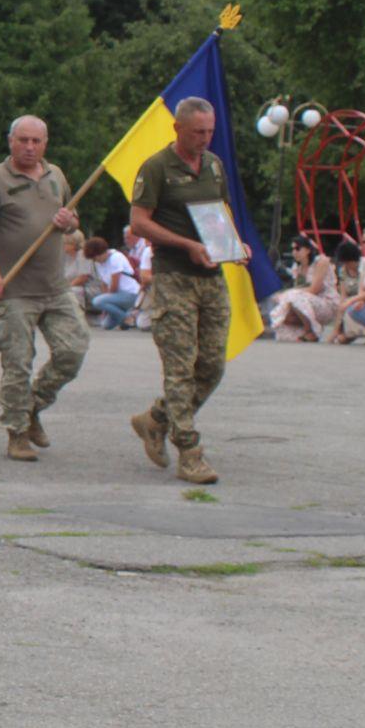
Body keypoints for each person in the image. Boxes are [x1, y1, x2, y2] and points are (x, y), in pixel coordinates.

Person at [0, 114, 86, 463]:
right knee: (18, 363)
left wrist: (69, 221)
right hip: (15, 289)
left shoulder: (56, 175)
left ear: (45, 144)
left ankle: (33, 406)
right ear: (11, 141)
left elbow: (72, 217)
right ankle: (17, 432)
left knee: (73, 350)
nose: (30, 147)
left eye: (36, 141)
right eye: (23, 140)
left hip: (55, 287)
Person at [128, 96, 234, 485]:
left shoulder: (213, 165)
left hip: (211, 278)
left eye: (209, 131)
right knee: (179, 368)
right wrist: (186, 244)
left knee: (212, 366)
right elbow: (139, 223)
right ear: (178, 129)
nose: (205, 139)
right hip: (173, 276)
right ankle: (189, 450)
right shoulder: (157, 167)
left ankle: (156, 419)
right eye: (197, 132)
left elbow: (220, 212)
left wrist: (232, 245)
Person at [268, 235, 339, 343]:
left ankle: (311, 331)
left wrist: (288, 294)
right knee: (282, 315)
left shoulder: (321, 262)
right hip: (308, 303)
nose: (294, 252)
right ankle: (309, 328)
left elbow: (315, 289)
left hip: (327, 303)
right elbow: (300, 289)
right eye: (292, 249)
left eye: (297, 248)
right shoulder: (297, 268)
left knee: (292, 296)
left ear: (308, 250)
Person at [82, 236, 144, 331]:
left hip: (130, 293)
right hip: (117, 296)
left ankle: (127, 318)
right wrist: (105, 306)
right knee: (106, 325)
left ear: (101, 253)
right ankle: (127, 317)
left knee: (96, 301)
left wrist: (105, 301)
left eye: (95, 258)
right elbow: (104, 284)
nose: (95, 261)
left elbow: (115, 285)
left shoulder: (115, 258)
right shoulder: (99, 263)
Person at [121, 224, 155, 330]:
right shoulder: (136, 249)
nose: (126, 240)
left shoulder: (146, 249)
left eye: (128, 237)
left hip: (151, 285)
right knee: (142, 323)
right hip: (147, 284)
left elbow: (145, 277)